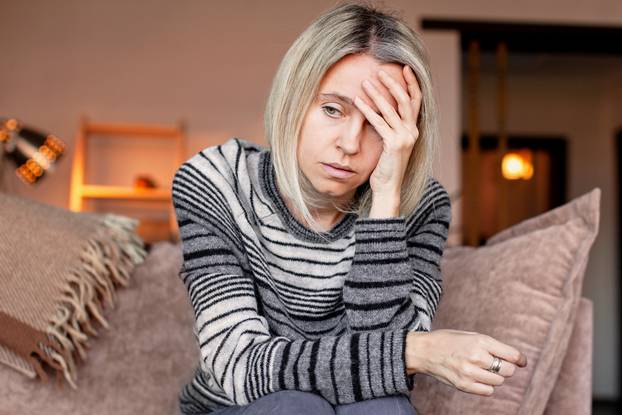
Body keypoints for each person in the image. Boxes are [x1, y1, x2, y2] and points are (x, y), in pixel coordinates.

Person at [171, 1, 527, 414]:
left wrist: (387, 198)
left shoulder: (423, 206)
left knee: (381, 404)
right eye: (332, 109)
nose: (350, 144)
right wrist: (415, 351)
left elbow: (387, 377)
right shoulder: (216, 181)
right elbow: (239, 368)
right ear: (293, 99)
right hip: (238, 408)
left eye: (379, 124)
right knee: (295, 405)